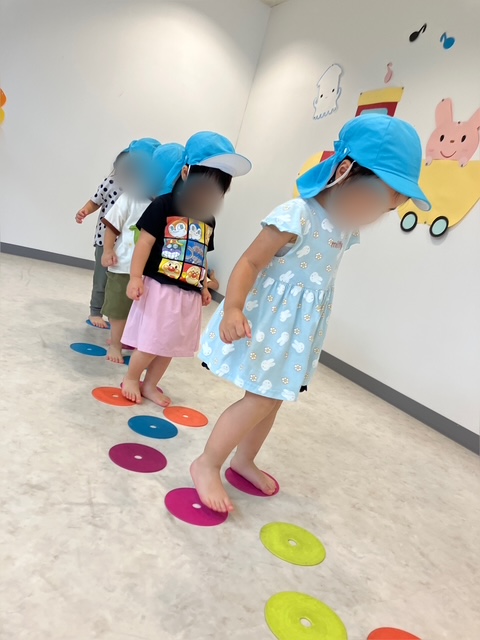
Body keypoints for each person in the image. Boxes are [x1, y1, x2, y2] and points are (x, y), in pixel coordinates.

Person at [190, 113, 431, 513]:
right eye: (372, 201)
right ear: (344, 172)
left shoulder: (345, 227)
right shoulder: (296, 215)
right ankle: (207, 463)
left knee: (274, 399)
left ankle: (244, 460)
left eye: (384, 210)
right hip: (268, 323)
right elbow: (250, 262)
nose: (371, 216)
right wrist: (232, 308)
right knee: (258, 400)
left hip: (298, 330)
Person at [121, 131, 252, 406]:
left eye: (215, 192)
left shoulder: (209, 219)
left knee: (170, 346)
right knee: (153, 342)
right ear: (185, 173)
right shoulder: (163, 205)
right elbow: (145, 243)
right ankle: (132, 377)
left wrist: (203, 286)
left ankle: (150, 384)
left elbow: (200, 254)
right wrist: (135, 277)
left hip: (188, 293)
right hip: (160, 288)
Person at [101, 143, 186, 363]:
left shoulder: (169, 205)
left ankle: (133, 342)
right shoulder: (132, 197)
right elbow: (112, 225)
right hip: (123, 265)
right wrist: (108, 250)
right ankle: (116, 344)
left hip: (151, 273)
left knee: (140, 312)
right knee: (119, 309)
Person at [75, 138, 160, 328]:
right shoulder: (111, 182)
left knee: (120, 279)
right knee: (102, 278)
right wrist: (84, 211)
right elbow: (95, 201)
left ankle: (117, 315)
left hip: (128, 243)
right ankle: (95, 311)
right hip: (104, 239)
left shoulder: (144, 190)